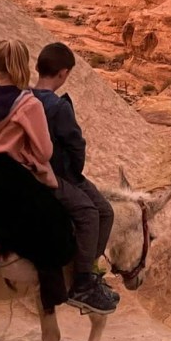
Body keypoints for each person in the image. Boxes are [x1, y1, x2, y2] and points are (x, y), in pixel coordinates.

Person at [0, 39, 76, 314]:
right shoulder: (28, 104)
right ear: (23, 66)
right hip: (10, 171)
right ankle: (52, 290)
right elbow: (44, 151)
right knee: (55, 221)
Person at [32, 42, 119, 315]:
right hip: (57, 174)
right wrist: (75, 173)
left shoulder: (23, 97)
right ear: (63, 73)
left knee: (101, 209)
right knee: (96, 213)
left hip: (29, 168)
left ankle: (88, 274)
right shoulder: (58, 107)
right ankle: (83, 281)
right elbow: (75, 145)